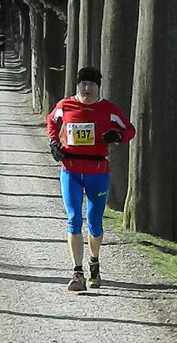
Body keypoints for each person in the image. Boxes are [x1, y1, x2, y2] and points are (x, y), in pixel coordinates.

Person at [46, 67, 136, 291]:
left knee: (94, 222)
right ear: (78, 86)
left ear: (98, 87)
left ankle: (94, 261)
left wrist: (117, 136)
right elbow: (51, 121)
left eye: (91, 85)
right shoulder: (65, 106)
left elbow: (129, 130)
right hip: (71, 170)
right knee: (74, 218)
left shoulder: (108, 109)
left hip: (98, 172)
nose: (86, 88)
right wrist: (53, 143)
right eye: (83, 84)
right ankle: (78, 272)